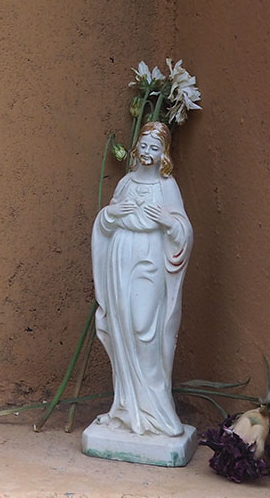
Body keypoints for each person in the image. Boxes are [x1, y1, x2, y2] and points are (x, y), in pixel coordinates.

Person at [91, 120, 193, 437]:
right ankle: (125, 407)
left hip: (149, 258)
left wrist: (167, 220)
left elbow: (183, 231)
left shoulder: (167, 186)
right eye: (145, 145)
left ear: (164, 154)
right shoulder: (126, 183)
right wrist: (113, 215)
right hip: (121, 256)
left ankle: (158, 410)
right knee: (122, 328)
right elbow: (106, 221)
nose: (148, 152)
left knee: (144, 329)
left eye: (155, 147)